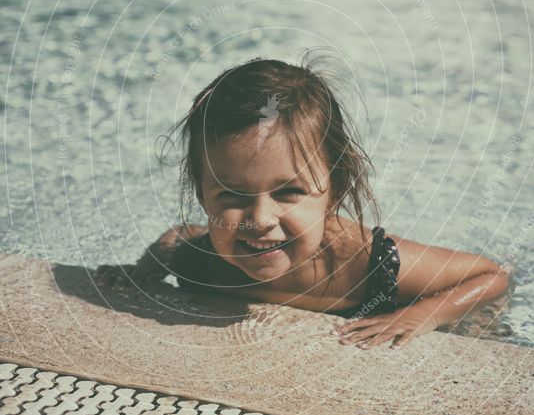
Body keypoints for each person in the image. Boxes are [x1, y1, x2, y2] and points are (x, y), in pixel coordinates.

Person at [95, 55, 509, 350]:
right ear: (203, 194)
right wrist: (140, 272)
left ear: (335, 190)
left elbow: (489, 277)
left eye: (288, 193)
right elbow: (177, 237)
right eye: (232, 194)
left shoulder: (370, 263)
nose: (259, 219)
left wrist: (424, 315)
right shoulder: (200, 259)